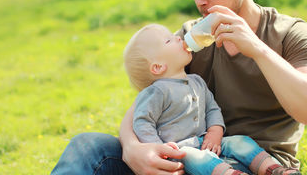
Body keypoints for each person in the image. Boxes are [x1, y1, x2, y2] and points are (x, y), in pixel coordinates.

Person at [50, 0, 307, 175]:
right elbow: (144, 103)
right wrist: (133, 149)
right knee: (87, 147)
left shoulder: (288, 33)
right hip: (189, 155)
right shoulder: (190, 39)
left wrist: (257, 50)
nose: (200, 1)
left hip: (252, 163)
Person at [123, 24, 297, 175]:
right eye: (169, 40)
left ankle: (272, 168)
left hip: (206, 141)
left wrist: (215, 133)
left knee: (240, 141)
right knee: (197, 158)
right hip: (180, 150)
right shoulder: (156, 92)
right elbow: (143, 121)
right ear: (158, 67)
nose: (178, 38)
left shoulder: (197, 81)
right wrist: (159, 149)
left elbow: (212, 109)